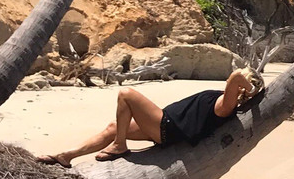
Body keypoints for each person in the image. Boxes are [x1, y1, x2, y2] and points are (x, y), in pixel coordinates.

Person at [37, 67, 264, 167]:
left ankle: (120, 146)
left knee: (126, 94)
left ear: (244, 86)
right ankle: (66, 156)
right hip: (164, 124)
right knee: (112, 127)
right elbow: (234, 79)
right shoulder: (224, 99)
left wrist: (251, 89)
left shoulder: (227, 106)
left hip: (167, 126)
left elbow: (234, 77)